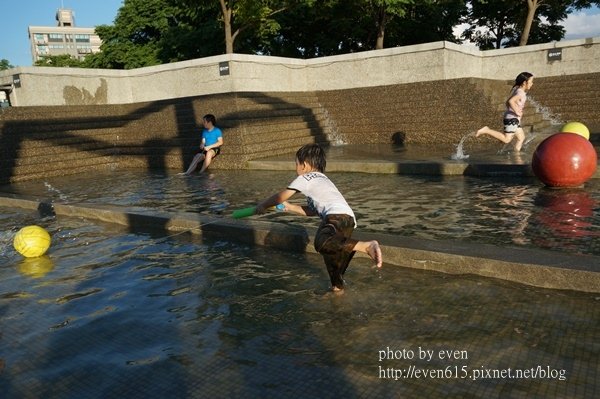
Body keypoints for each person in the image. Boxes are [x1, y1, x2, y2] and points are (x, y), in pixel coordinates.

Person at [255, 143, 383, 292]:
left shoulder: (305, 178)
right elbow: (312, 210)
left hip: (335, 217)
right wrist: (290, 207)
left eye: (296, 164)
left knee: (322, 242)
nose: (296, 168)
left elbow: (280, 196)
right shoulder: (323, 179)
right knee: (333, 264)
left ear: (304, 165)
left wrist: (262, 205)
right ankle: (338, 292)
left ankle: (366, 246)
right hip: (348, 219)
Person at [475, 72, 534, 152]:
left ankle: (516, 154)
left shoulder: (517, 90)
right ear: (524, 83)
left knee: (521, 138)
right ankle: (486, 130)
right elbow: (510, 101)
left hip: (513, 119)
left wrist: (513, 111)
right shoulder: (521, 93)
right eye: (531, 82)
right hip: (512, 119)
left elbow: (507, 102)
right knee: (506, 139)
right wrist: (517, 112)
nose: (532, 84)